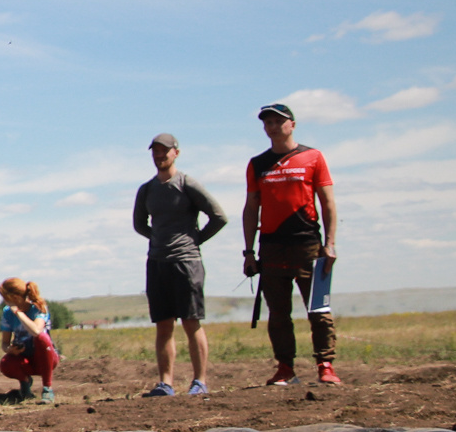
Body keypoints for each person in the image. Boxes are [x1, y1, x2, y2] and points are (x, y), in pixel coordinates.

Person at [242, 101, 340, 388]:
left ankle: (325, 365)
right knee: (278, 312)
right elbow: (251, 208)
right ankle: (285, 368)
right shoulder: (257, 164)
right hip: (271, 246)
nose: (272, 127)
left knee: (318, 309)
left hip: (309, 244)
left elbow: (328, 202)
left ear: (292, 125)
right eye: (267, 123)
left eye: (278, 122)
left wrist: (330, 244)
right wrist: (249, 251)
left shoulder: (313, 157)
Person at [133, 133, 227, 398]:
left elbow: (219, 216)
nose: (160, 155)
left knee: (190, 321)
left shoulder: (187, 184)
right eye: (156, 152)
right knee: (163, 325)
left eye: (165, 151)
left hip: (187, 263)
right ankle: (165, 383)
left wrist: (194, 241)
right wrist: (158, 239)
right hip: (157, 262)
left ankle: (200, 381)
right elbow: (139, 224)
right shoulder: (147, 190)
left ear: (176, 153)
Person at [0, 278, 58, 405]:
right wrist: (10, 350)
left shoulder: (39, 308)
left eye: (5, 297)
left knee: (41, 338)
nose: (4, 301)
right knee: (5, 364)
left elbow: (36, 331)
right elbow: (5, 343)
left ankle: (47, 388)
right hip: (24, 357)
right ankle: (25, 384)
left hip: (45, 358)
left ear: (15, 297)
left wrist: (18, 313)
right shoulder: (7, 313)